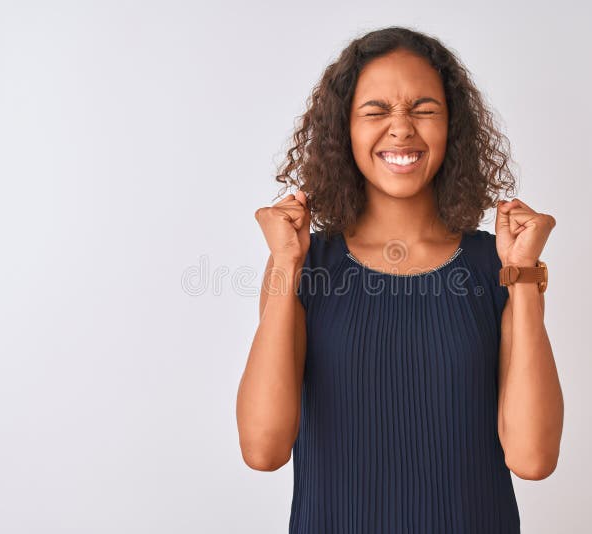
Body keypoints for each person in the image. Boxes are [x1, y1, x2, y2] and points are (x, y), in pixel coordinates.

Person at [237, 26, 563, 534]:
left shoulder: (496, 266)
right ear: (343, 129)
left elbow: (533, 459)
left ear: (451, 127)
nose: (401, 129)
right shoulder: (305, 266)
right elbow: (263, 448)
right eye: (376, 111)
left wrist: (522, 276)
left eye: (424, 109)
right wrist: (284, 264)